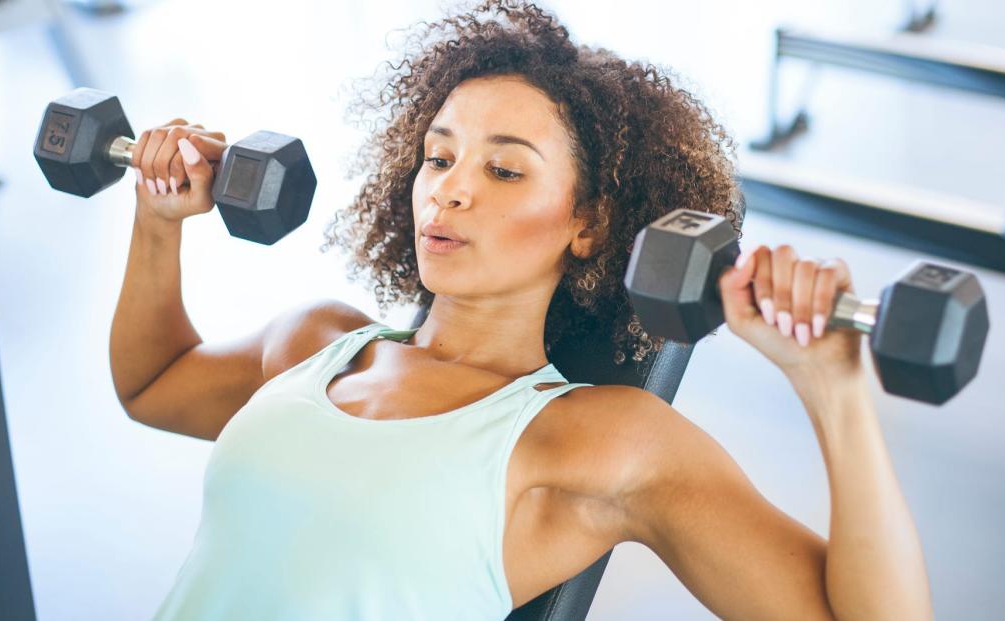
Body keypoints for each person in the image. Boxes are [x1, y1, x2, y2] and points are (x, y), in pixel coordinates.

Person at [110, 1, 932, 619]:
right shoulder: (317, 342)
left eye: (505, 172)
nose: (451, 188)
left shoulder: (598, 440)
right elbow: (153, 383)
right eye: (439, 157)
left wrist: (835, 388)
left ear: (590, 224)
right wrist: (157, 219)